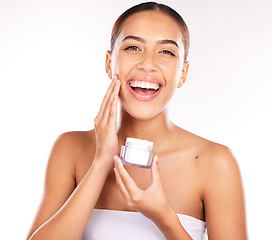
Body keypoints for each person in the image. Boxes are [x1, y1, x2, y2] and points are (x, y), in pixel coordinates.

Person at [26, 2, 247, 240]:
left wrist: (165, 219)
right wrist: (100, 163)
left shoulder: (214, 163)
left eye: (166, 52)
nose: (148, 64)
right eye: (133, 47)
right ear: (109, 63)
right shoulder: (71, 148)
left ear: (182, 73)